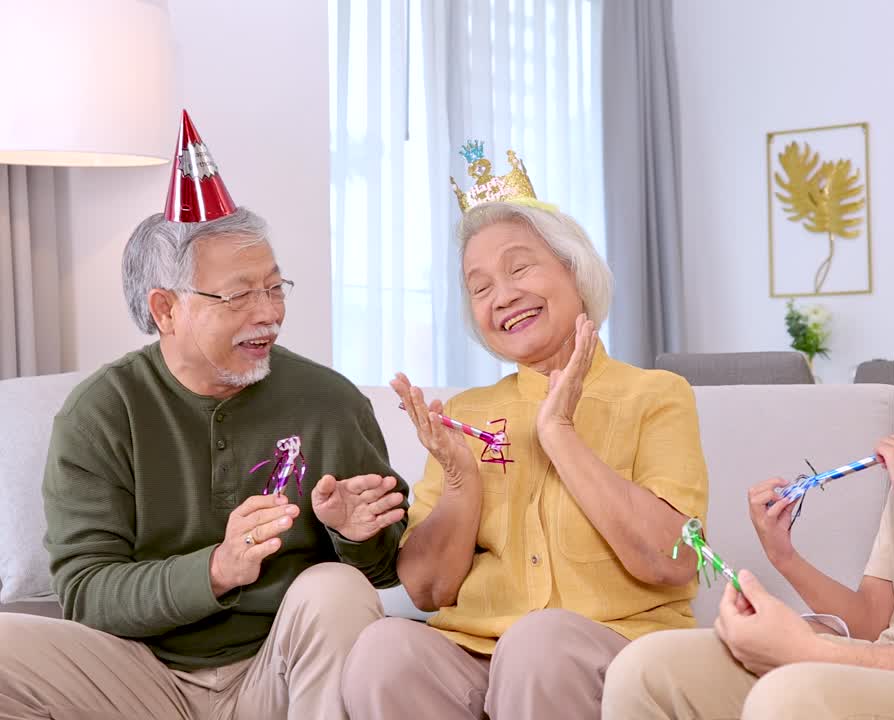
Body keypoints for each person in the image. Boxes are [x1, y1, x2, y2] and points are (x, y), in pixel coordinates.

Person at [0, 111, 408, 720]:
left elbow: (380, 573)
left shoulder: (328, 401)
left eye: (275, 288)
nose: (268, 313)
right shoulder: (103, 413)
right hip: (138, 674)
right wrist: (217, 568)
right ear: (165, 309)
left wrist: (358, 534)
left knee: (336, 587)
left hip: (280, 666)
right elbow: (86, 593)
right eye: (239, 295)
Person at [603, 202, 894, 719]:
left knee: (790, 697)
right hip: (877, 666)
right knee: (648, 666)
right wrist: (783, 555)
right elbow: (869, 620)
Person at [341, 144, 709, 720]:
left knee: (539, 644)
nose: (503, 296)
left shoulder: (655, 394)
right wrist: (462, 480)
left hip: (613, 647)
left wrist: (559, 433)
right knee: (384, 649)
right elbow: (426, 591)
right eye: (480, 286)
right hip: (477, 650)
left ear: (575, 271)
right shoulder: (465, 412)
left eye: (519, 267)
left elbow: (673, 561)